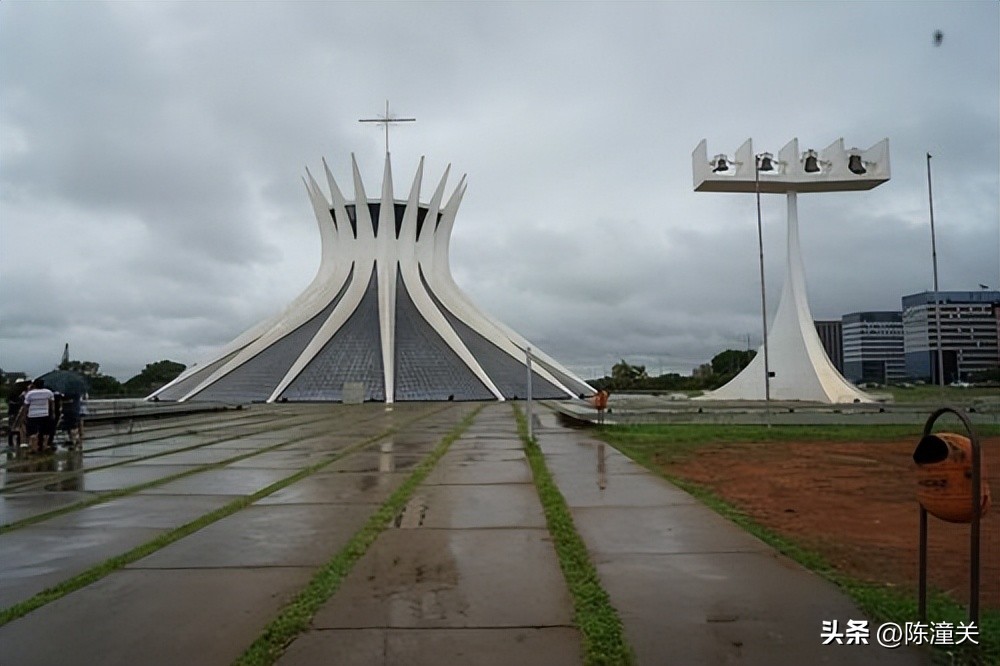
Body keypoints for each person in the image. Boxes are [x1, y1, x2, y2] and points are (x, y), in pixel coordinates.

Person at [20, 378, 55, 454]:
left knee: (33, 432)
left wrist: (24, 416)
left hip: (33, 415)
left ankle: (34, 448)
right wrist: (52, 413)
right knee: (45, 432)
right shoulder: (49, 392)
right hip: (45, 414)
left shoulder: (30, 394)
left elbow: (26, 406)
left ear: (34, 385)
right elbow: (52, 404)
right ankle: (45, 446)